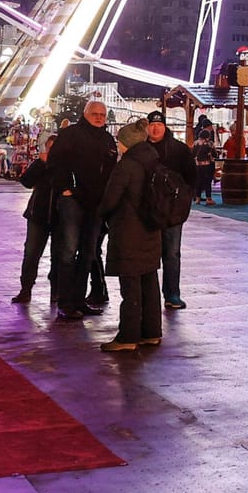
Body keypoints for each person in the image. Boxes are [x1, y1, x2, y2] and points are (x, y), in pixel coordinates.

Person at [47, 100, 117, 321]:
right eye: (95, 113)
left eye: (102, 114)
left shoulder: (107, 139)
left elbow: (111, 170)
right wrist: (65, 189)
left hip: (96, 204)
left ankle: (79, 300)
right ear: (85, 114)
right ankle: (65, 302)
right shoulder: (70, 135)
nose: (99, 117)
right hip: (73, 201)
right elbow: (55, 162)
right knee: (68, 252)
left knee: (88, 253)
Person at [97, 121, 163, 353]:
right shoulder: (153, 158)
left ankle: (128, 335)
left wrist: (101, 214)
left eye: (120, 141)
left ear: (126, 143)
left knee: (131, 285)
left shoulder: (127, 165)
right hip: (151, 229)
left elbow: (110, 199)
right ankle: (151, 332)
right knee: (149, 281)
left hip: (128, 231)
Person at [143, 111, 197, 309]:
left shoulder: (179, 149)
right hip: (148, 209)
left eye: (159, 124)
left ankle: (172, 293)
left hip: (172, 211)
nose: (155, 128)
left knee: (172, 252)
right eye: (152, 124)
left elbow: (192, 176)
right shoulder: (141, 149)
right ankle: (148, 295)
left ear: (165, 127)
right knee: (147, 253)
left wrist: (184, 199)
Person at [12, 135, 57, 305]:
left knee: (59, 255)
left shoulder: (65, 165)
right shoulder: (41, 164)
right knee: (31, 252)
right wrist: (40, 163)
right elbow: (26, 181)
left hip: (60, 215)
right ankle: (26, 289)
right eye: (50, 149)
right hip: (38, 214)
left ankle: (56, 291)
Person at [192, 130, 217, 206]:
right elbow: (214, 154)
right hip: (207, 165)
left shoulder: (196, 143)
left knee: (198, 181)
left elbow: (192, 153)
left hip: (198, 165)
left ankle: (198, 198)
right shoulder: (210, 143)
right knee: (207, 182)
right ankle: (208, 199)